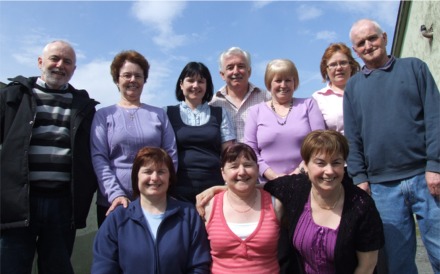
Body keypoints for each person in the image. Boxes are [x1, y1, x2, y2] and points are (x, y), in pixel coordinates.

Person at [344, 19, 440, 273]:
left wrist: (435, 165)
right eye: (361, 43)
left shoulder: (415, 68)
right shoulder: (353, 87)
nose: (368, 45)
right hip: (382, 187)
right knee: (398, 263)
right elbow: (353, 137)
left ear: (384, 37)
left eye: (372, 38)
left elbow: (435, 118)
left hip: (425, 178)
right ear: (355, 50)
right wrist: (360, 178)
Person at [0, 40, 98, 274]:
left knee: (57, 268)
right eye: (55, 58)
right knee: (10, 266)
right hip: (18, 202)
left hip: (63, 205)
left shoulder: (83, 106)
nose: (60, 65)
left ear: (74, 70)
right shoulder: (13, 95)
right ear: (40, 62)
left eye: (67, 62)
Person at [265, 130, 384, 273]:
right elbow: (257, 187)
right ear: (306, 165)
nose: (329, 171)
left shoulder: (361, 205)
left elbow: (367, 266)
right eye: (320, 163)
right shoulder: (295, 188)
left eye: (336, 163)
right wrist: (230, 190)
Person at [91, 50, 177, 227]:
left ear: (144, 80)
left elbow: (171, 154)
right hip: (113, 203)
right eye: (126, 75)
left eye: (138, 75)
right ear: (117, 79)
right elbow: (99, 158)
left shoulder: (158, 114)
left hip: (155, 201)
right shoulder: (103, 116)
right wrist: (116, 194)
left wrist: (160, 188)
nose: (133, 80)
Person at [92, 147, 211, 274]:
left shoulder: (188, 215)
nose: (154, 178)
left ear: (170, 178)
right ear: (136, 177)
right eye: (147, 172)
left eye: (161, 172)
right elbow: (103, 266)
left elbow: (199, 266)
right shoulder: (117, 218)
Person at [203, 143, 283, 273]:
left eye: (247, 165)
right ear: (223, 173)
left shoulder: (276, 205)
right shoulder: (208, 207)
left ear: (257, 169)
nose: (242, 172)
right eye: (234, 166)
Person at [244, 59, 325, 182]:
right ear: (269, 83)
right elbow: (250, 150)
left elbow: (320, 143)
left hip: (306, 181)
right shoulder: (255, 111)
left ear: (294, 83)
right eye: (278, 80)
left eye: (288, 80)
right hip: (267, 184)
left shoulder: (308, 105)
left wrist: (299, 172)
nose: (283, 85)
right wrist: (272, 176)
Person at [166, 62, 235, 204]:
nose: (195, 85)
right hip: (177, 190)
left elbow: (229, 153)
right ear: (181, 84)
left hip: (213, 189)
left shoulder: (220, 113)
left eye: (201, 81)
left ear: (207, 86)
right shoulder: (166, 113)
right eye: (190, 80)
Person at [210, 46, 271, 142]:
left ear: (249, 71)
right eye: (230, 68)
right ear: (222, 75)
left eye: (241, 66)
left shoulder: (267, 98)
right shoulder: (213, 104)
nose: (236, 71)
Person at [312, 43, 360, 134]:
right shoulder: (317, 98)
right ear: (326, 69)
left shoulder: (364, 90)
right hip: (337, 147)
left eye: (343, 63)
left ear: (351, 66)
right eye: (333, 64)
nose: (339, 68)